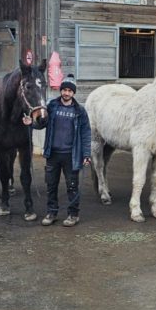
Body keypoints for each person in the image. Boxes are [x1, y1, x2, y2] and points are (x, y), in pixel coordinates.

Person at [33, 74, 92, 227]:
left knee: (72, 186)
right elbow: (42, 123)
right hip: (52, 154)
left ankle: (73, 214)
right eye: (64, 90)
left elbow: (86, 133)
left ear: (73, 93)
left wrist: (86, 154)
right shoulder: (52, 106)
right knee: (51, 185)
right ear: (61, 90)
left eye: (69, 91)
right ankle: (51, 212)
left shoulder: (80, 111)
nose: (66, 93)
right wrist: (30, 123)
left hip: (71, 155)